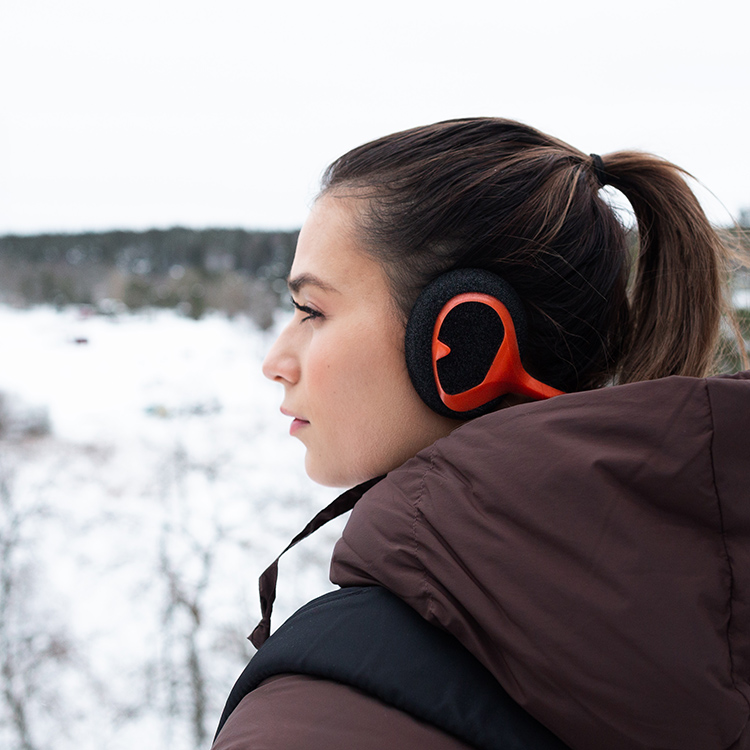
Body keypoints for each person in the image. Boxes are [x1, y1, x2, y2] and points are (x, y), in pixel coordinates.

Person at [212, 118, 750, 750]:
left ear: (468, 340)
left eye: (312, 311)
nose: (276, 360)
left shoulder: (310, 719)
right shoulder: (708, 606)